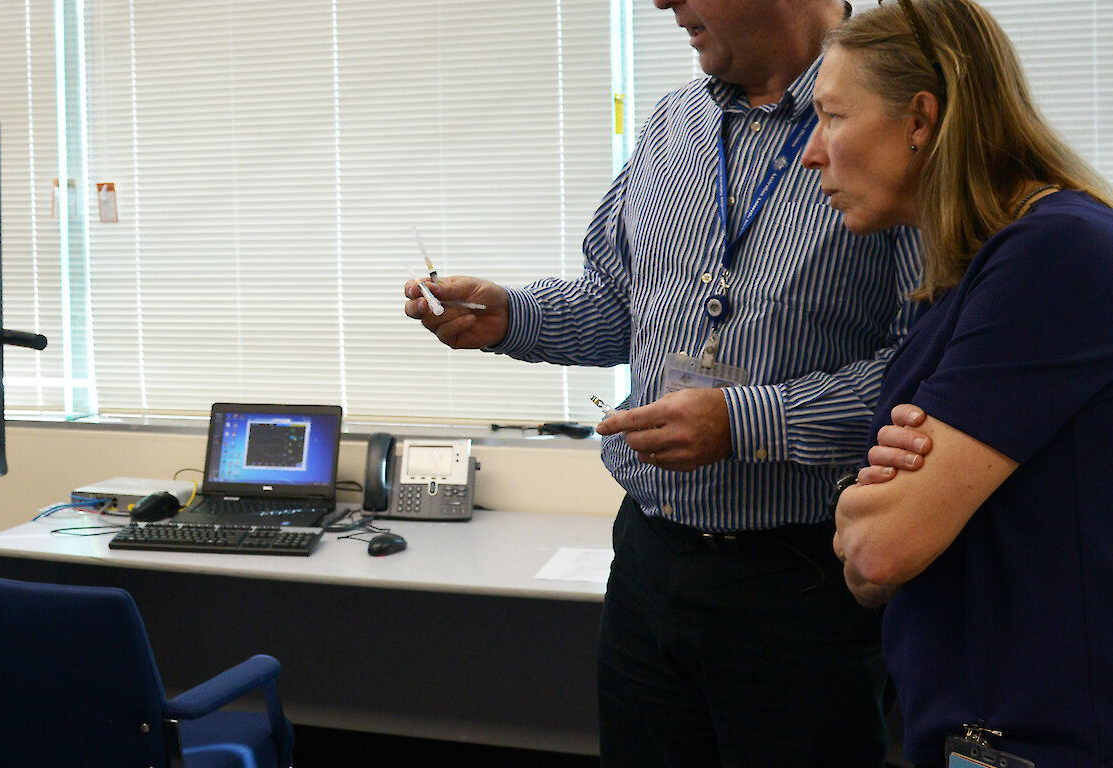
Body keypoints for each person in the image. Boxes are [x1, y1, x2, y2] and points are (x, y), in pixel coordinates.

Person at [405, 0, 920, 762]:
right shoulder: (673, 124)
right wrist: (512, 317)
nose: (660, 3)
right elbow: (617, 303)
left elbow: (922, 370)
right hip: (648, 561)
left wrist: (745, 421)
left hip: (801, 581)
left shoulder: (894, 124)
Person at [798, 0, 1113, 763]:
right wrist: (876, 513)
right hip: (973, 716)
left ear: (920, 119)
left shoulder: (1056, 255)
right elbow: (872, 571)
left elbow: (876, 553)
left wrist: (858, 505)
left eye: (833, 117)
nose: (812, 153)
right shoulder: (977, 267)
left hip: (1038, 733)